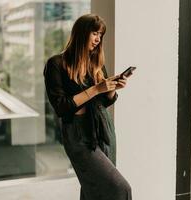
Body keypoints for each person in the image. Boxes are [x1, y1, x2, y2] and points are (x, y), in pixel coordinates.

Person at [43, 14, 132, 200]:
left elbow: (102, 103)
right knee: (120, 189)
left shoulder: (96, 64)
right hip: (78, 134)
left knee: (94, 191)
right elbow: (61, 107)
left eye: (101, 34)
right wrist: (96, 89)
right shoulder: (56, 64)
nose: (98, 38)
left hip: (103, 128)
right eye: (94, 33)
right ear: (81, 33)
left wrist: (110, 91)